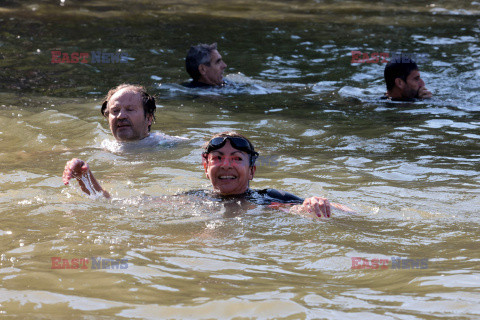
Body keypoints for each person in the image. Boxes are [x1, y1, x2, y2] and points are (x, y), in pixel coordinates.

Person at [63, 132, 354, 218]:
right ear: (205, 167)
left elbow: (349, 211)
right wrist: (84, 178)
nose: (226, 165)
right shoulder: (191, 200)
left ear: (252, 170)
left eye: (236, 159)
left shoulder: (271, 199)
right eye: (218, 158)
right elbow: (111, 206)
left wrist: (320, 204)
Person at [99, 84, 184, 149]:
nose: (120, 116)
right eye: (115, 111)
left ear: (148, 118)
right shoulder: (105, 148)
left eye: (130, 109)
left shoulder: (165, 143)